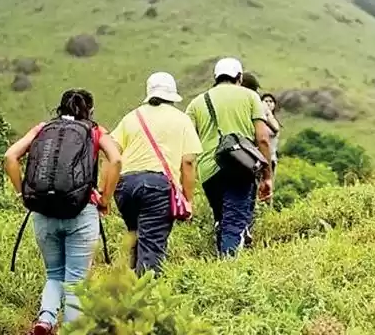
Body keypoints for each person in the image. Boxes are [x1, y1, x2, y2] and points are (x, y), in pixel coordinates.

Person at [4, 89, 122, 335]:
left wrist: (22, 193)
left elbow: (10, 156)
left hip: (44, 212)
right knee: (76, 279)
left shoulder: (42, 129)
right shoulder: (95, 131)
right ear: (89, 110)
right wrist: (105, 198)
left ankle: (45, 320)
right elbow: (116, 160)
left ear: (60, 108)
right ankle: (70, 329)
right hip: (82, 211)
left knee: (54, 273)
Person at [109, 72, 202, 276]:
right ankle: (146, 299)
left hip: (125, 185)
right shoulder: (181, 120)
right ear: (172, 96)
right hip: (157, 186)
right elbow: (188, 161)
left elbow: (111, 150)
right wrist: (187, 200)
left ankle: (129, 289)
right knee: (151, 245)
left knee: (136, 237)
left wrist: (105, 190)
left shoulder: (132, 117)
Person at [185, 57, 273, 256]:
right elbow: (263, 138)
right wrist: (266, 176)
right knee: (234, 222)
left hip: (208, 170)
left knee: (224, 219)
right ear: (239, 77)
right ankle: (229, 269)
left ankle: (226, 251)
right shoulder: (250, 97)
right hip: (241, 166)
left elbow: (188, 145)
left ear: (216, 77)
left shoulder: (196, 103)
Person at [260, 93, 282, 175]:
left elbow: (275, 130)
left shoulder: (273, 120)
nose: (268, 103)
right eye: (265, 101)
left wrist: (267, 113)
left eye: (271, 101)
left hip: (270, 159)